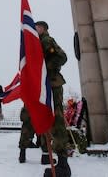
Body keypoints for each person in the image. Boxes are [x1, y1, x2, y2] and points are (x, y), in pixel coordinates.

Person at [35, 21, 71, 177]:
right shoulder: (38, 42)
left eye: (37, 27)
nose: (35, 29)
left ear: (43, 29)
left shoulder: (47, 41)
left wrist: (47, 66)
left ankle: (63, 166)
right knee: (48, 121)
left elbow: (62, 57)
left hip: (53, 83)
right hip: (45, 85)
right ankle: (56, 160)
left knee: (56, 120)